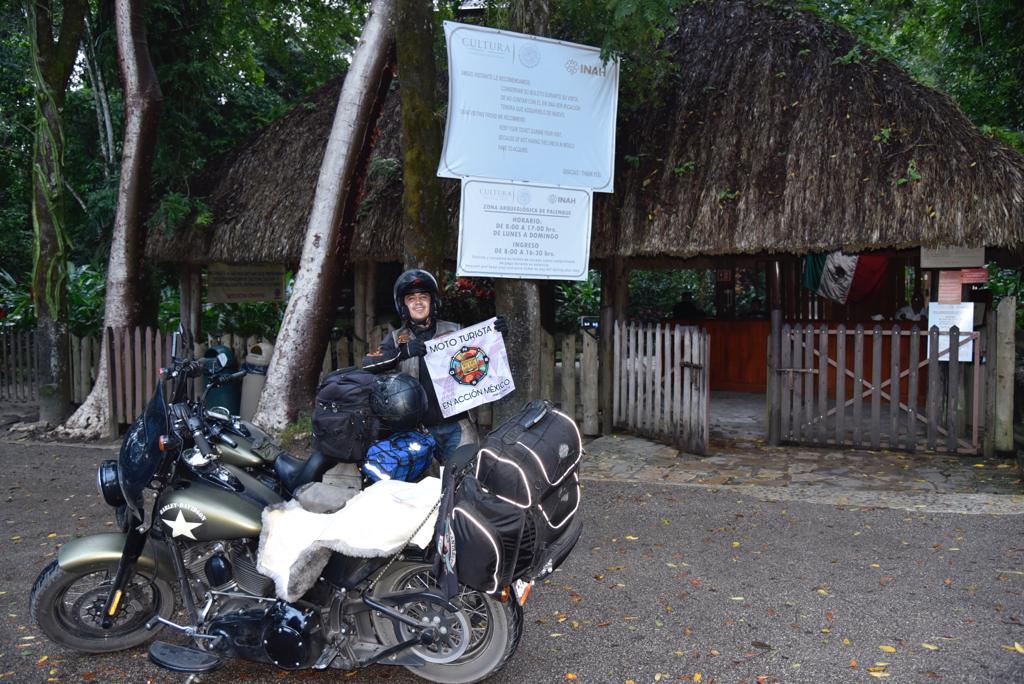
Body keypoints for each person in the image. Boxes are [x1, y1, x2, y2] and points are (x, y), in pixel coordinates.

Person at [362, 269, 508, 462]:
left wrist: (496, 335)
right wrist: (402, 353)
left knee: (463, 478)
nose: (418, 302)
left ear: (433, 301)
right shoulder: (396, 339)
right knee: (424, 487)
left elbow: (481, 356)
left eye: (424, 296)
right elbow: (368, 365)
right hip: (417, 430)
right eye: (411, 298)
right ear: (403, 305)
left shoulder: (454, 330)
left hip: (458, 424)